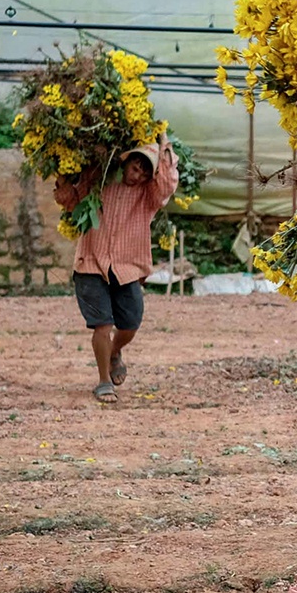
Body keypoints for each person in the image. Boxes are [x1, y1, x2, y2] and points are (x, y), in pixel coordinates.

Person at [55, 136, 178, 403]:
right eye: (135, 168)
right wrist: (62, 174)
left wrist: (164, 145)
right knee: (103, 325)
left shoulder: (148, 197)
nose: (137, 176)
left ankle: (114, 352)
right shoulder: (99, 182)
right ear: (125, 162)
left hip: (127, 267)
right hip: (91, 262)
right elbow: (69, 201)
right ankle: (104, 382)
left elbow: (168, 184)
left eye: (144, 173)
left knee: (130, 324)